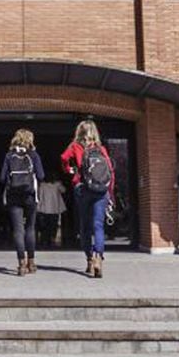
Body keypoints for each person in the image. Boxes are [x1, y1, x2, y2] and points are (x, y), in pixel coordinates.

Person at [61, 119, 115, 278]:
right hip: (100, 190)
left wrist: (70, 170)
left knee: (85, 227)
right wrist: (110, 193)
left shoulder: (75, 146)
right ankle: (99, 257)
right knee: (98, 225)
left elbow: (63, 158)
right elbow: (110, 171)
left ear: (79, 132)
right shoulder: (101, 149)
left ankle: (89, 261)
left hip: (83, 189)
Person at [1, 129, 46, 276]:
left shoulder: (9, 156)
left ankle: (21, 265)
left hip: (13, 196)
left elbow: (2, 178)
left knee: (18, 229)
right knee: (30, 228)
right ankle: (31, 263)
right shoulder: (33, 155)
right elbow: (41, 175)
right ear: (30, 140)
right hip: (30, 196)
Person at [36, 172, 67, 248]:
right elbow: (64, 190)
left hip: (45, 209)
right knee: (53, 225)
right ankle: (51, 238)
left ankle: (45, 240)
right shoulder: (57, 185)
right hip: (54, 208)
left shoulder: (42, 185)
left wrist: (38, 207)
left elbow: (39, 195)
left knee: (45, 225)